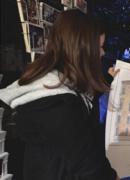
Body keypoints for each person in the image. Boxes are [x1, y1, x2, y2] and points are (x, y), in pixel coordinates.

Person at [0, 10, 118, 180]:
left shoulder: (53, 89)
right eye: (99, 46)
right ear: (83, 50)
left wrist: (107, 78)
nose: (102, 53)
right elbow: (89, 167)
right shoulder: (60, 104)